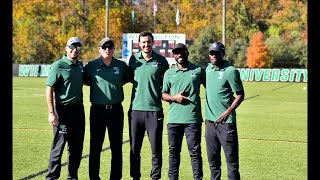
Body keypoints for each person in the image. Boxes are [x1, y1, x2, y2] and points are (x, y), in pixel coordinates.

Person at [84, 37, 133, 180]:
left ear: (113, 49)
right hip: (97, 111)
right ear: (99, 49)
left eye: (110, 47)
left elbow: (128, 79)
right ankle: (94, 177)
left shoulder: (121, 66)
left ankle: (115, 177)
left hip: (116, 111)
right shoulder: (91, 66)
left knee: (116, 147)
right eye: (104, 47)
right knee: (95, 147)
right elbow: (86, 80)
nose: (107, 49)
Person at [128, 31, 169, 180]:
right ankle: (135, 177)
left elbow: (168, 81)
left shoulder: (161, 61)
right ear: (139, 44)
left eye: (149, 42)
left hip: (154, 111)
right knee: (134, 149)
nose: (146, 44)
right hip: (135, 111)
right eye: (143, 42)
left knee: (156, 149)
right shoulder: (133, 60)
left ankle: (155, 177)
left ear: (153, 43)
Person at [162, 43, 206, 180]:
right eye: (176, 52)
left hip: (192, 119)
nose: (179, 54)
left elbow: (210, 88)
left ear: (187, 53)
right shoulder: (169, 73)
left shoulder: (198, 70)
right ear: (173, 55)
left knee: (195, 152)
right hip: (174, 120)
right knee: (173, 152)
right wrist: (175, 98)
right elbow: (163, 94)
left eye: (182, 52)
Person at [45, 37, 85, 180]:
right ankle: (52, 177)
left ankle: (72, 176)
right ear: (66, 48)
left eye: (78, 47)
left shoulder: (80, 65)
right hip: (63, 111)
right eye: (72, 47)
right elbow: (49, 89)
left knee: (76, 147)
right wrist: (51, 112)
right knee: (59, 147)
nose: (75, 50)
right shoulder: (58, 65)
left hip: (79, 111)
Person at [204, 42, 245, 180]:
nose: (213, 55)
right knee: (213, 161)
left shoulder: (230, 71)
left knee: (232, 162)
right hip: (210, 124)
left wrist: (227, 112)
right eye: (211, 53)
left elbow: (240, 94)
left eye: (216, 52)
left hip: (226, 123)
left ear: (223, 53)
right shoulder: (207, 69)